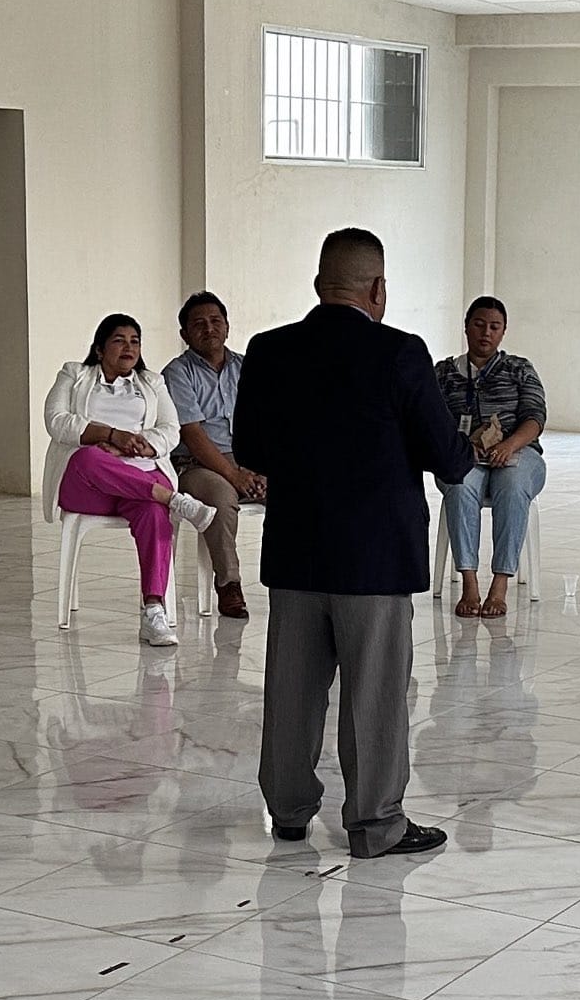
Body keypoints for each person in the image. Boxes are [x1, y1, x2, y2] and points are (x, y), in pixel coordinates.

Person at [232, 228, 474, 859]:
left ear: (319, 285)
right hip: (375, 557)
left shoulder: (268, 350)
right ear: (379, 289)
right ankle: (374, 824)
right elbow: (448, 458)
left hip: (296, 551)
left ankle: (288, 813)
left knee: (291, 691)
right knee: (374, 697)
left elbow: (251, 449)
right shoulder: (401, 353)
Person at [42, 314, 217, 646]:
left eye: (135, 341)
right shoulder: (74, 374)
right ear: (99, 349)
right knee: (89, 457)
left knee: (153, 514)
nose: (129, 347)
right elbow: (56, 420)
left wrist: (140, 445)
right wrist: (109, 435)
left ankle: (154, 610)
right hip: (87, 484)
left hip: (138, 478)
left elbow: (171, 429)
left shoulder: (152, 383)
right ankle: (172, 499)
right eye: (119, 340)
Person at [433, 296, 548, 619]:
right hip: (463, 455)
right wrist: (460, 446)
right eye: (479, 325)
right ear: (466, 327)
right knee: (459, 483)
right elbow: (431, 419)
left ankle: (500, 584)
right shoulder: (444, 373)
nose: (486, 333)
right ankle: (469, 583)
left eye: (494, 327)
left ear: (503, 332)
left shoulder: (519, 369)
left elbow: (536, 417)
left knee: (512, 485)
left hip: (519, 452)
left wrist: (510, 445)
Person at [161, 291, 260, 619]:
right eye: (199, 324)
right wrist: (234, 476)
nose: (209, 329)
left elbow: (269, 422)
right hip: (196, 465)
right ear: (184, 334)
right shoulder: (177, 373)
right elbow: (193, 435)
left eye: (216, 321)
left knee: (299, 492)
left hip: (246, 460)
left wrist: (262, 469)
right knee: (221, 497)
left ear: (227, 327)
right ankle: (229, 584)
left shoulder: (248, 367)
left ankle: (300, 582)